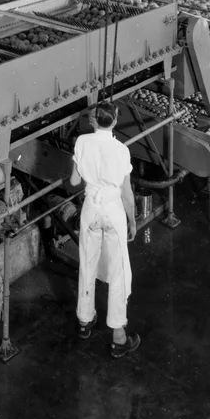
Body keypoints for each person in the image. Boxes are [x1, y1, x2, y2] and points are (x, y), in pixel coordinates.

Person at [69, 102, 140, 358]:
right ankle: (118, 337)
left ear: (93, 121)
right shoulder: (122, 151)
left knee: (87, 264)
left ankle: (85, 321)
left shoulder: (82, 142)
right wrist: (132, 221)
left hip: (90, 209)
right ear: (116, 120)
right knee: (118, 271)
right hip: (112, 211)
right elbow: (127, 193)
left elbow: (75, 181)